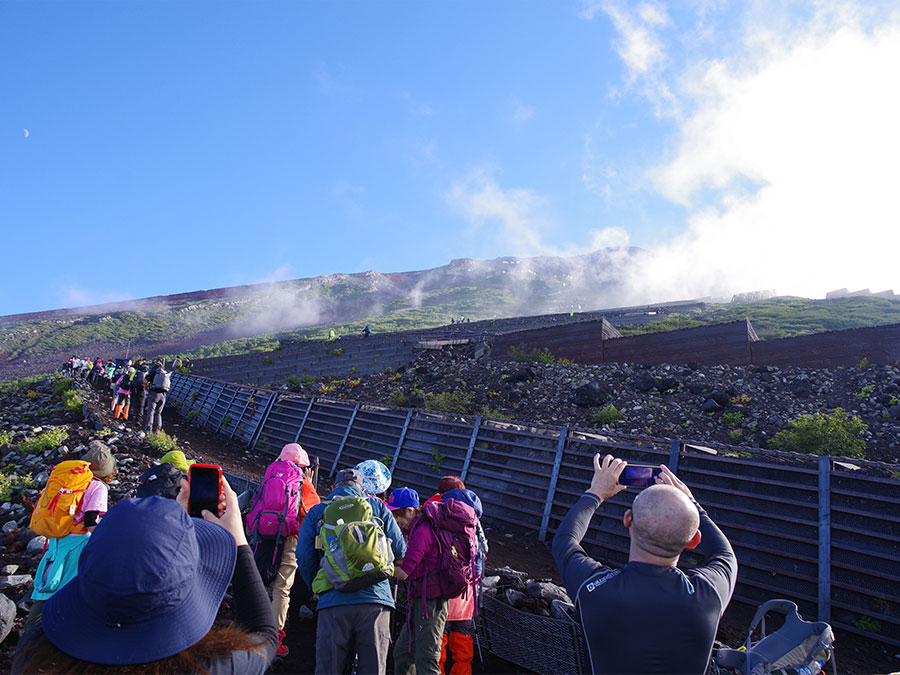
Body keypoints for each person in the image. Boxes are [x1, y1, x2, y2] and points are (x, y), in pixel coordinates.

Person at [13, 477, 277, 674]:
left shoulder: (34, 655)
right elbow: (265, 635)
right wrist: (238, 542)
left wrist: (166, 531)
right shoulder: (212, 666)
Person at [552, 455, 737, 674]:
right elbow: (724, 554)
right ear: (694, 540)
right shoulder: (710, 593)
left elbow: (565, 541)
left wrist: (595, 493)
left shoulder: (594, 588)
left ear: (627, 519)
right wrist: (692, 503)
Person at [297, 468, 407, 675]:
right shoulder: (377, 507)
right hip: (376, 601)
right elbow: (401, 552)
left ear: (332, 488)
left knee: (329, 669)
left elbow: (304, 556)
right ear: (363, 489)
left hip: (333, 600)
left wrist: (319, 587)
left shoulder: (317, 512)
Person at [392, 488, 477, 675]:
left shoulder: (422, 530)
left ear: (409, 510)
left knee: (427, 658)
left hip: (431, 603)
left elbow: (406, 571)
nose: (396, 521)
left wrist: (381, 569)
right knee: (404, 653)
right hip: (423, 600)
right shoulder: (423, 527)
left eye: (397, 514)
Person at [258, 443, 320, 657]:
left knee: (262, 579)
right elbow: (313, 510)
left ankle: (254, 629)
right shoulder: (302, 480)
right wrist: (310, 485)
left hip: (265, 533)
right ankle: (274, 638)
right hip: (291, 536)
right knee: (282, 587)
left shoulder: (271, 474)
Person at [144, 359, 169, 434]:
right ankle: (157, 430)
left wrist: (146, 390)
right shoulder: (164, 373)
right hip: (163, 395)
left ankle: (148, 429)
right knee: (158, 413)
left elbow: (145, 381)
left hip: (154, 393)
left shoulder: (153, 372)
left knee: (150, 412)